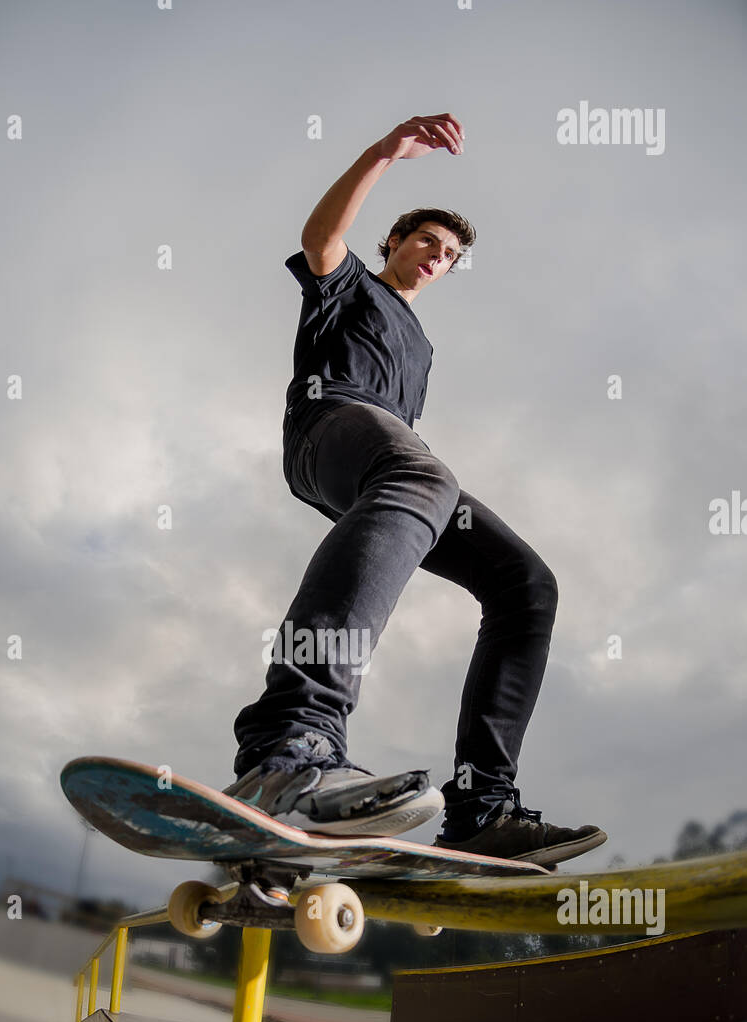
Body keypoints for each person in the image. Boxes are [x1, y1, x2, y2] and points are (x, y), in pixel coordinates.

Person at [225, 113, 605, 868]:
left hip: (393, 467)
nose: (438, 254)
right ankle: (291, 741)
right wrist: (381, 154)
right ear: (393, 243)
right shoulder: (349, 285)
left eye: (451, 253)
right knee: (422, 472)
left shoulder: (421, 347)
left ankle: (480, 806)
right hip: (328, 426)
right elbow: (319, 239)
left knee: (525, 584)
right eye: (427, 240)